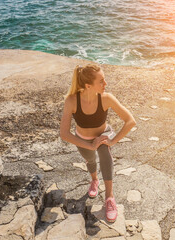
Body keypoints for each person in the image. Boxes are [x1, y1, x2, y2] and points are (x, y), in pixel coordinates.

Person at [59, 63, 136, 223]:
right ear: (88, 85)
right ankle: (94, 180)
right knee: (91, 160)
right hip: (83, 139)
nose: (105, 84)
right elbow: (64, 133)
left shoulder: (107, 98)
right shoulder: (72, 101)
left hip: (103, 135)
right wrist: (90, 145)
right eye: (101, 81)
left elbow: (130, 121)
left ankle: (109, 198)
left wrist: (113, 140)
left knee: (104, 151)